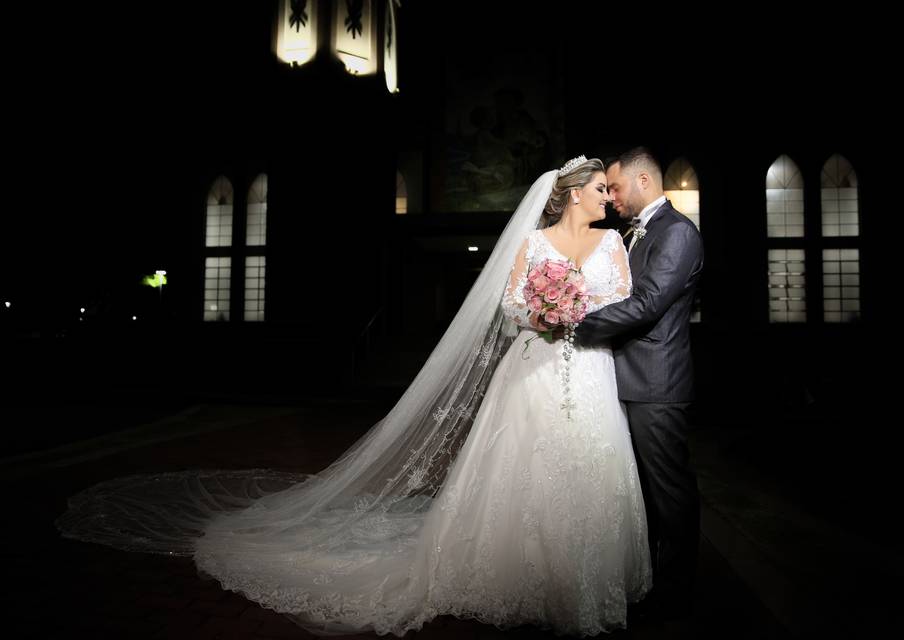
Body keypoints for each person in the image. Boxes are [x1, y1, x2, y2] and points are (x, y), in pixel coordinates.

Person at [56, 155, 651, 637]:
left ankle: (581, 581)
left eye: (609, 190)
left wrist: (579, 312)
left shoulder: (613, 246)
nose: (609, 197)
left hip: (593, 369)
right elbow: (510, 305)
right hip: (535, 369)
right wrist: (542, 313)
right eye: (601, 188)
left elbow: (623, 303)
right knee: (526, 469)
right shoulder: (534, 243)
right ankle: (519, 578)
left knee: (588, 465)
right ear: (574, 193)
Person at [573, 147, 704, 619]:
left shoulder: (677, 232)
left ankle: (680, 589)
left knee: (668, 490)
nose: (612, 197)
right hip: (626, 378)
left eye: (617, 187)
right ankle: (648, 578)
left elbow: (648, 303)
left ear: (644, 180)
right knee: (641, 491)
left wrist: (577, 324)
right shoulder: (635, 231)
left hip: (657, 383)